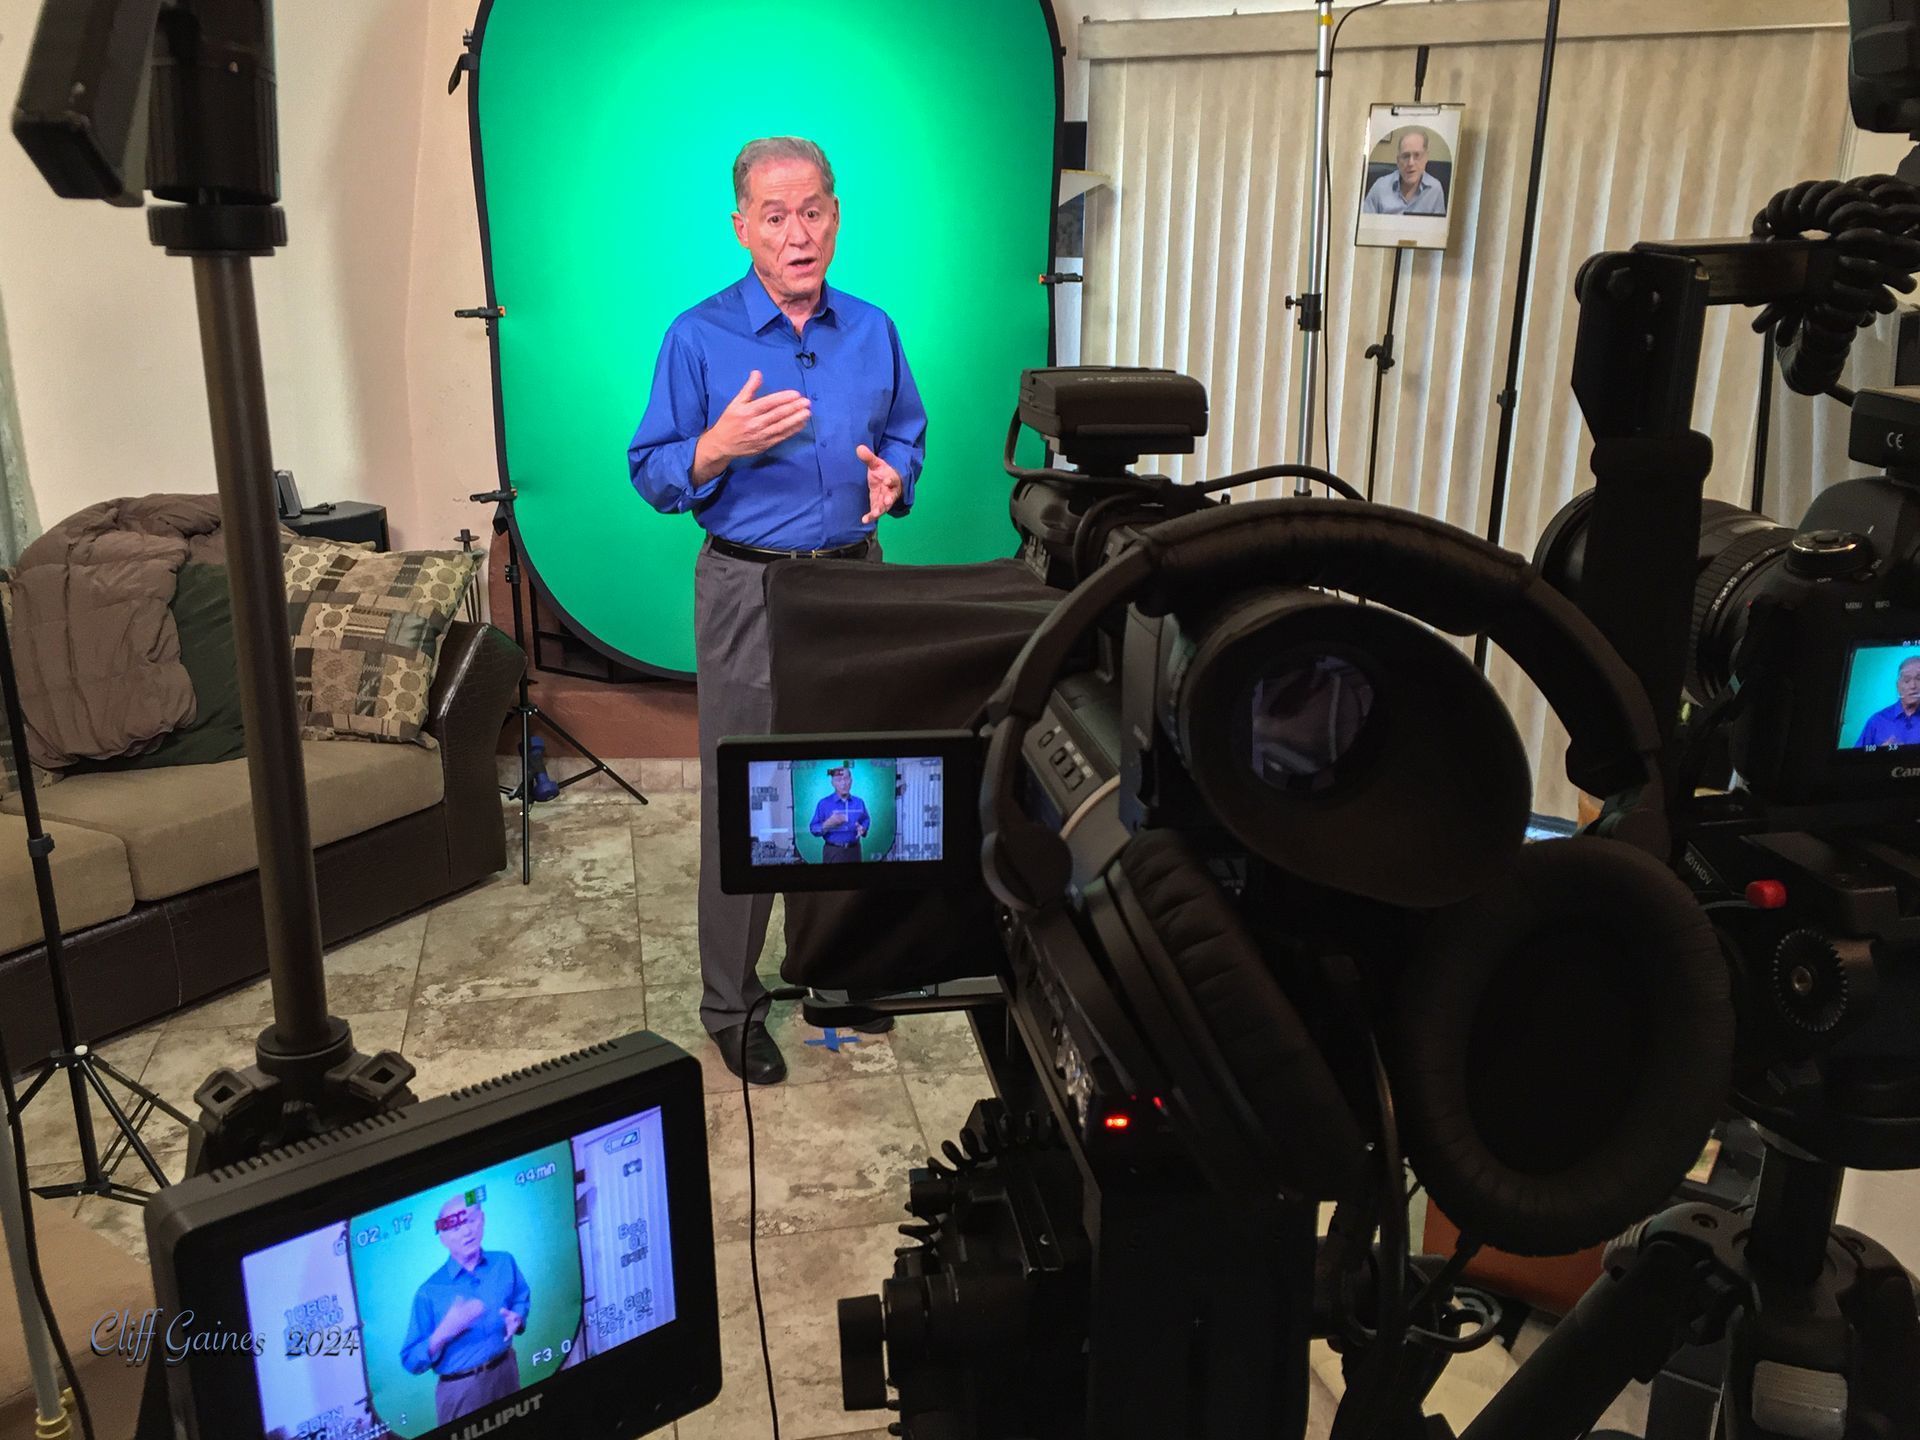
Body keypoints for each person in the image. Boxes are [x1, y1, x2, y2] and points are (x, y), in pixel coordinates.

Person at [629, 136, 926, 1085]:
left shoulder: (874, 329)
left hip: (854, 581)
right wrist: (711, 448)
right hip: (748, 587)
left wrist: (896, 479)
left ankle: (830, 972)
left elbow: (908, 435)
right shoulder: (697, 337)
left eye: (813, 212)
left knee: (850, 785)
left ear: (836, 216)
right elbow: (652, 470)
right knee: (748, 792)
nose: (797, 235)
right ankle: (732, 1003)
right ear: (743, 227)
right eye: (775, 216)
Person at [399, 1197, 531, 1427]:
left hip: (507, 1372)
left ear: (483, 1220)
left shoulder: (504, 1262)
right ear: (443, 1238)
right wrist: (443, 1333)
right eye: (457, 1227)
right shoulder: (428, 1292)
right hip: (461, 1391)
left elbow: (521, 1297)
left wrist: (518, 1317)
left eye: (471, 1220)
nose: (467, 1231)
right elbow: (411, 1360)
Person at [1362, 128, 1447, 217]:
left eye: (1417, 155)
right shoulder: (1380, 187)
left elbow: (1438, 229)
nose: (1410, 163)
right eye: (1405, 156)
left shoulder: (1435, 189)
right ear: (1398, 161)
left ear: (1426, 158)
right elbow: (1364, 226)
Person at [808, 762, 871, 863]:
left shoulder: (859, 802)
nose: (843, 783)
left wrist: (863, 829)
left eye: (846, 779)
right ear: (832, 783)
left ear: (851, 781)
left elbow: (866, 820)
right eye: (838, 780)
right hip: (833, 851)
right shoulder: (824, 803)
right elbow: (813, 829)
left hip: (855, 851)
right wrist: (828, 824)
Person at [1854, 655, 1920, 748]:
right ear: (1898, 686)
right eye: (1907, 680)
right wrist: (1881, 755)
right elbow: (1854, 760)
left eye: (1919, 679)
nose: (1913, 686)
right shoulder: (1877, 721)